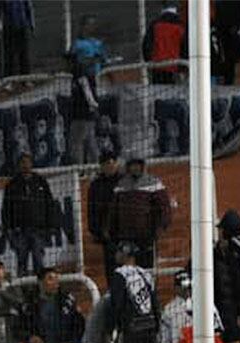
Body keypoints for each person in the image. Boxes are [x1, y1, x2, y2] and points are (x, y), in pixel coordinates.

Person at [106, 159, 172, 268]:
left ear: (143, 166)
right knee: (126, 269)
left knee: (147, 269)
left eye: (137, 165)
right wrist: (111, 230)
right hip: (126, 237)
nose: (135, 168)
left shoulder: (153, 182)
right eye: (132, 165)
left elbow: (164, 208)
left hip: (146, 237)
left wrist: (159, 228)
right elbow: (114, 210)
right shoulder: (121, 185)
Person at [1, 153, 57, 276]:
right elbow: (6, 209)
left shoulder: (41, 181)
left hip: (39, 230)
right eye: (22, 162)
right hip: (19, 231)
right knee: (21, 263)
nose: (25, 165)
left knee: (39, 262)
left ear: (32, 164)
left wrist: (51, 226)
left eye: (27, 162)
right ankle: (22, 291)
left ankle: (39, 290)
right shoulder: (12, 185)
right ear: (18, 165)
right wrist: (8, 229)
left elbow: (50, 205)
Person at [65, 20, 104, 166]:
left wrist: (93, 107)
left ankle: (80, 169)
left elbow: (88, 93)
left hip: (82, 113)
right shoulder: (80, 74)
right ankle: (96, 166)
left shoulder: (81, 75)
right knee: (90, 139)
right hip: (84, 111)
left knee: (76, 141)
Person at [87, 152, 123, 276]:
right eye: (106, 164)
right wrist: (96, 231)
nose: (110, 166)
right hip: (107, 234)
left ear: (117, 164)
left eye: (112, 163)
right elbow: (91, 210)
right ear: (101, 166)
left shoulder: (126, 181)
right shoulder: (96, 185)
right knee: (111, 269)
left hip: (126, 232)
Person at [142, 3, 186, 84]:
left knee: (158, 92)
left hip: (157, 66)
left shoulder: (154, 24)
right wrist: (183, 68)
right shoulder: (181, 26)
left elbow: (146, 45)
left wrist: (148, 61)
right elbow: (185, 47)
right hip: (175, 66)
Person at [0, 0, 34, 77]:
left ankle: (25, 78)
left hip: (22, 25)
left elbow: (28, 8)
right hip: (9, 26)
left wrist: (31, 24)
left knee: (24, 53)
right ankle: (8, 78)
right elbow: (0, 8)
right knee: (9, 55)